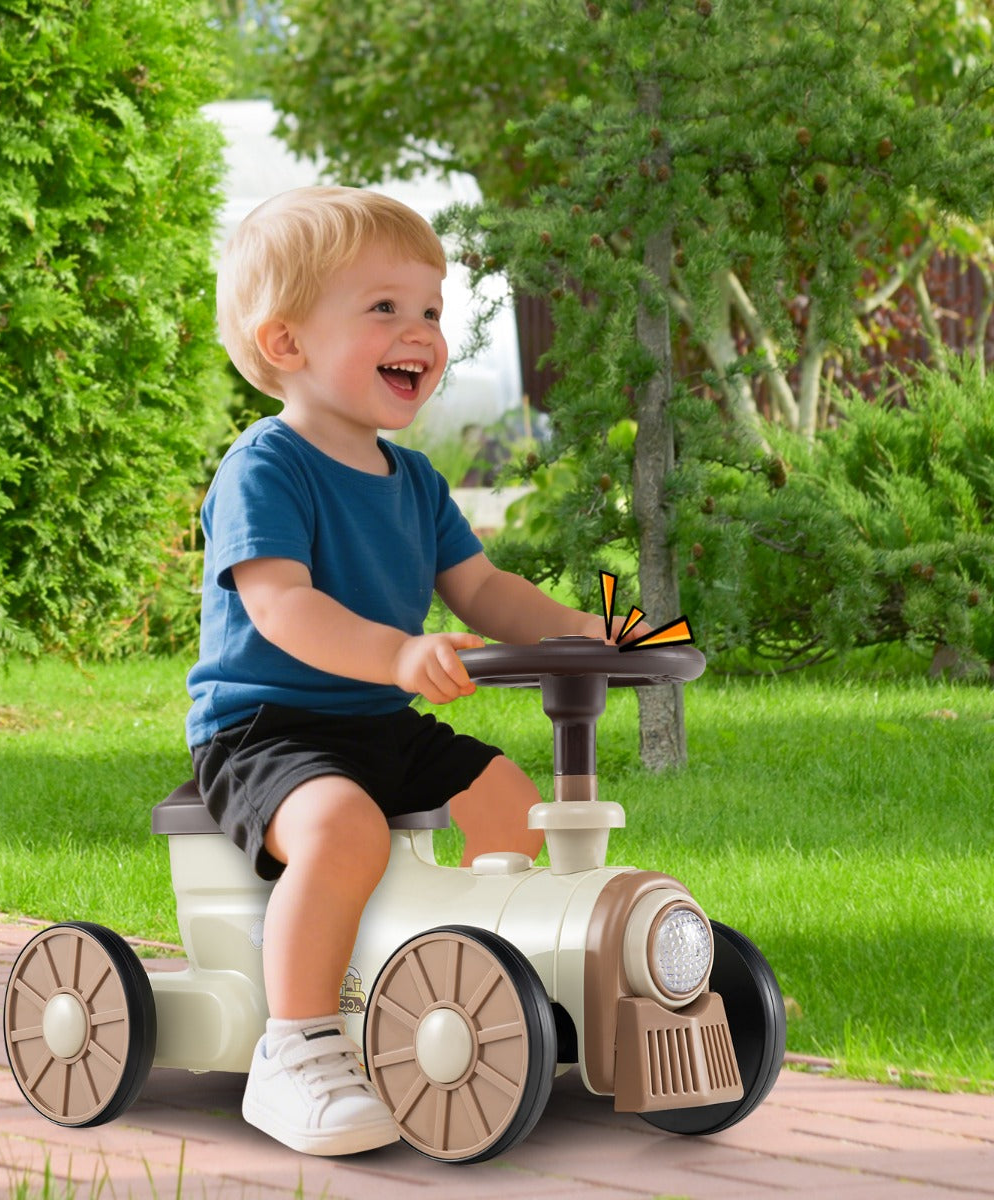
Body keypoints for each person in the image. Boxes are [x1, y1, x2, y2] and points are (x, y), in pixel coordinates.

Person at [186, 186, 633, 1157]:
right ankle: (294, 1046)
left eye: (430, 309)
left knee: (512, 801)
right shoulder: (266, 468)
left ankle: (496, 988)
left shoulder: (416, 480)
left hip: (378, 725)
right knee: (343, 829)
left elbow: (482, 587)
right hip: (266, 729)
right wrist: (394, 652)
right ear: (286, 342)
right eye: (383, 307)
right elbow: (280, 607)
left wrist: (579, 632)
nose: (419, 331)